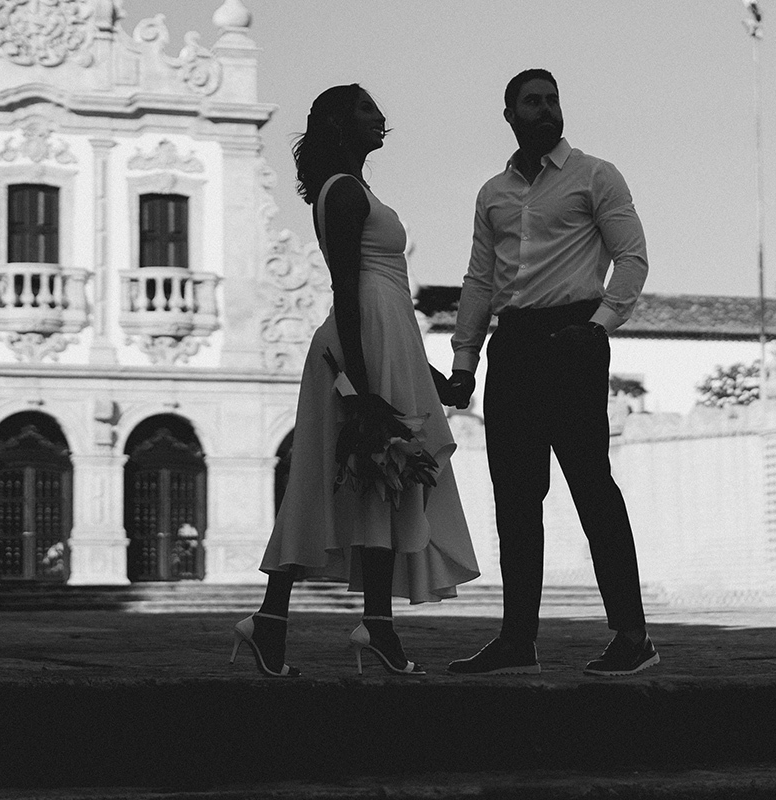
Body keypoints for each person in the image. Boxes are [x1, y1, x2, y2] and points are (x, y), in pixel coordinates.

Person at [230, 84, 480, 677]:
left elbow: (384, 296)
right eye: (367, 109)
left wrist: (428, 377)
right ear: (339, 126)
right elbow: (346, 288)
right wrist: (365, 390)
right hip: (360, 340)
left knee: (378, 480)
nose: (382, 117)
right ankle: (344, 624)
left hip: (381, 336)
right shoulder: (343, 194)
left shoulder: (355, 190)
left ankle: (330, 624)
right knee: (359, 477)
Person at [445, 69, 656, 677]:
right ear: (509, 114)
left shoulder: (595, 175)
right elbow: (480, 282)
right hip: (511, 348)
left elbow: (631, 256)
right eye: (532, 102)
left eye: (552, 100)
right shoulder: (493, 193)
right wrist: (463, 362)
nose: (545, 110)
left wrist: (600, 326)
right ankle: (517, 640)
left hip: (574, 340)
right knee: (515, 498)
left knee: (592, 487)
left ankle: (633, 636)